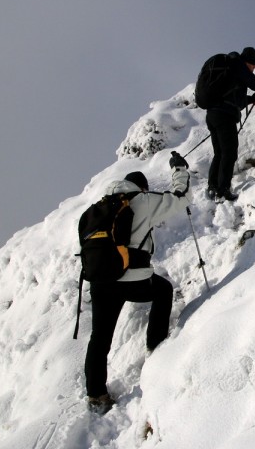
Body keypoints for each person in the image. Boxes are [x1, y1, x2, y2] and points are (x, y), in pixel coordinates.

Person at [84, 151, 191, 415]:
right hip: (133, 279)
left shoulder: (97, 208)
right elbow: (181, 197)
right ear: (142, 187)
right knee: (163, 290)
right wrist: (180, 169)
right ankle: (156, 349)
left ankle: (96, 395)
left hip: (100, 282)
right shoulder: (142, 200)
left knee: (100, 338)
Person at [206, 46, 255, 202]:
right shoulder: (238, 65)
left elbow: (233, 99)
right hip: (224, 117)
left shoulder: (231, 70)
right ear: (248, 62)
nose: (254, 69)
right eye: (254, 65)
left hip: (213, 115)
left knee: (220, 152)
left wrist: (252, 99)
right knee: (229, 153)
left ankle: (213, 187)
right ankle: (223, 190)